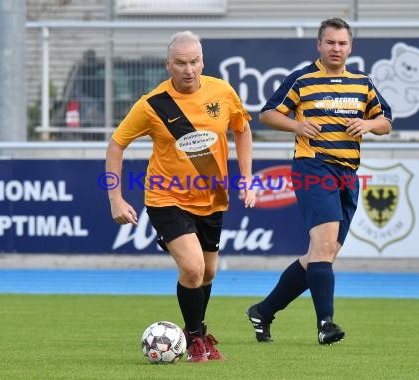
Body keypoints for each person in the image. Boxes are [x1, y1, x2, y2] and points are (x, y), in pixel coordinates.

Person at [106, 31, 255, 363]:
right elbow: (116, 144)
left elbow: (242, 130)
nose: (189, 70)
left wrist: (246, 178)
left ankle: (198, 332)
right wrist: (115, 198)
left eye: (194, 62)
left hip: (213, 197)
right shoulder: (152, 104)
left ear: (202, 61)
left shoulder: (223, 91)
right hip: (165, 198)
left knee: (208, 274)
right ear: (168, 64)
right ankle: (195, 339)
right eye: (181, 63)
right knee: (192, 269)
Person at [246, 18, 392, 345]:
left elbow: (386, 121)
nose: (336, 48)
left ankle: (263, 311)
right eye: (330, 42)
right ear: (319, 45)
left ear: (350, 47)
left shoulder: (362, 83)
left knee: (322, 254)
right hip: (313, 167)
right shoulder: (302, 79)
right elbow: (268, 113)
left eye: (342, 43)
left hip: (347, 173)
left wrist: (368, 126)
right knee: (324, 249)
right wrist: (297, 126)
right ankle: (325, 324)